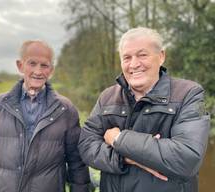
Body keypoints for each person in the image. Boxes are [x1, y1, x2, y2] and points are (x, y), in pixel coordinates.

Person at [78, 27, 210, 192]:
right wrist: (125, 158)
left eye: (142, 55)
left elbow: (187, 158)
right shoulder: (108, 97)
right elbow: (85, 145)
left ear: (161, 56)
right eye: (127, 57)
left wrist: (117, 138)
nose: (134, 64)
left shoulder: (187, 94)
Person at [0, 40, 90, 192]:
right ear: (20, 66)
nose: (38, 72)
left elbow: (77, 163)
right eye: (32, 63)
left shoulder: (66, 109)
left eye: (44, 65)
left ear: (51, 70)